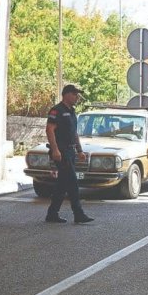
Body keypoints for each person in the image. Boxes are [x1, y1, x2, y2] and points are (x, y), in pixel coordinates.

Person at [45, 84, 94, 224]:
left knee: (62, 184)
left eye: (77, 95)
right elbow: (49, 130)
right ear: (66, 94)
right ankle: (78, 214)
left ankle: (52, 214)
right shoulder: (56, 110)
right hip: (61, 152)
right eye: (74, 94)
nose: (77, 97)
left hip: (70, 151)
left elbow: (74, 133)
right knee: (72, 182)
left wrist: (79, 150)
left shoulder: (72, 111)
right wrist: (55, 150)